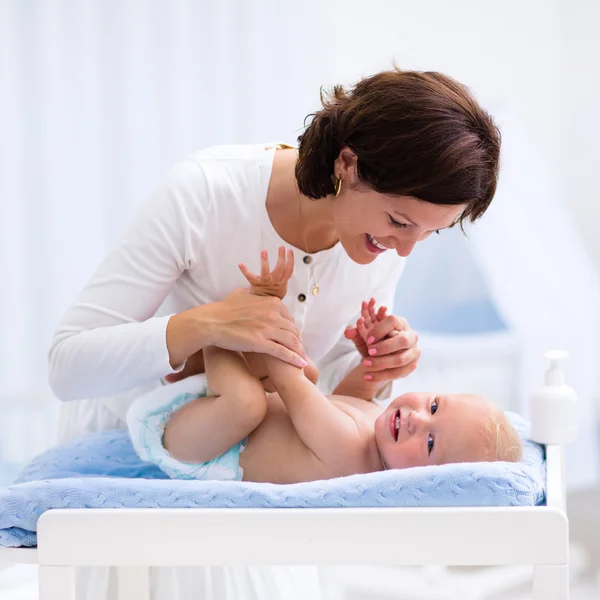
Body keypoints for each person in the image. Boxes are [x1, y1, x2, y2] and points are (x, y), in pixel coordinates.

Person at [48, 67, 501, 600]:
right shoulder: (206, 194)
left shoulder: (377, 243)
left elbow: (326, 407)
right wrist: (209, 323)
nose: (406, 249)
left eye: (430, 233)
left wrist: (375, 366)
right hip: (135, 478)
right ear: (347, 163)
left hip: (248, 499)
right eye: (401, 222)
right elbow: (66, 365)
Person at [131, 247, 521, 484]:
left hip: (202, 447)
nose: (419, 419)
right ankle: (218, 345)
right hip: (217, 423)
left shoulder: (351, 453)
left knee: (258, 396)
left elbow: (286, 376)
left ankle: (217, 332)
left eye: (431, 443)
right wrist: (370, 363)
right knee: (312, 377)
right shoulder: (376, 436)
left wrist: (265, 309)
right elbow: (346, 401)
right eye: (434, 405)